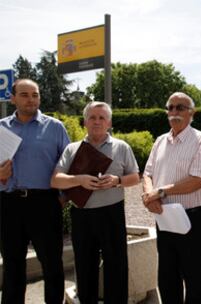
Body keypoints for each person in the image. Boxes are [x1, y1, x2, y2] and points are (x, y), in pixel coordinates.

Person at [50, 101, 140, 303]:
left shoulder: (121, 147)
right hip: (82, 214)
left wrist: (117, 181)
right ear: (84, 122)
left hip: (112, 213)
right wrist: (79, 179)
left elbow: (135, 177)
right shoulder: (72, 149)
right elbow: (55, 180)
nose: (97, 121)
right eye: (92, 117)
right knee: (84, 265)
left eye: (102, 118)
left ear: (109, 123)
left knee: (116, 264)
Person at [0, 79, 70, 304]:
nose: (31, 99)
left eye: (35, 94)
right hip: (8, 203)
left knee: (52, 266)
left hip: (45, 204)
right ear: (13, 98)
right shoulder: (1, 129)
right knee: (12, 266)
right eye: (24, 94)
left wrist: (61, 199)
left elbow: (70, 165)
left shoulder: (55, 127)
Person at [142, 92, 201, 304]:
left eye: (180, 107)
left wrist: (160, 192)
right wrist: (149, 194)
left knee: (195, 282)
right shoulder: (160, 141)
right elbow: (147, 173)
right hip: (165, 219)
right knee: (167, 279)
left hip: (193, 220)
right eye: (171, 107)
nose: (174, 111)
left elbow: (198, 181)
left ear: (192, 113)